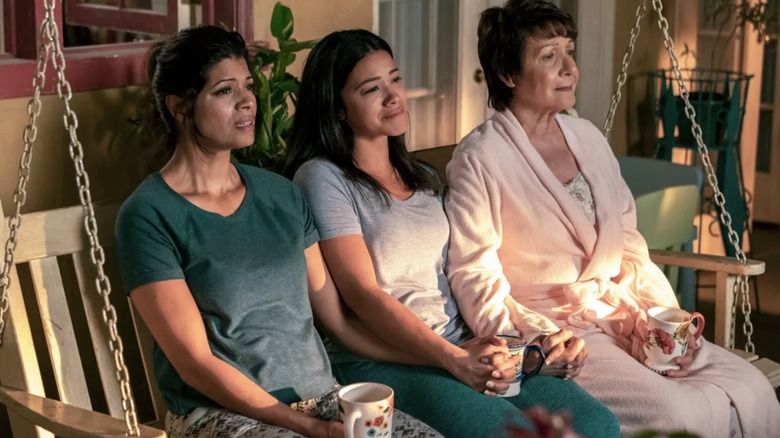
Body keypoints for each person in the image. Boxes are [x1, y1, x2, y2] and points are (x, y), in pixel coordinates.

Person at [444, 1, 780, 436]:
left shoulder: (587, 137)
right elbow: (474, 275)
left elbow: (629, 244)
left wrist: (657, 318)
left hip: (622, 311)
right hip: (558, 334)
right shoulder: (480, 158)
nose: (569, 67)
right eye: (549, 56)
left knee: (753, 388)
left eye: (570, 51)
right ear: (508, 74)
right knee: (680, 414)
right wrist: (537, 347)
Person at [283, 29, 619, 438]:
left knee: (597, 425)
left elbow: (466, 271)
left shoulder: (422, 177)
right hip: (389, 360)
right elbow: (361, 294)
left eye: (396, 79)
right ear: (336, 109)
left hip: (465, 343)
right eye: (372, 89)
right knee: (509, 434)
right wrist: (451, 357)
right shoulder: (322, 178)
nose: (394, 96)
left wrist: (527, 346)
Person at [114, 25, 442, 438]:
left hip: (322, 399)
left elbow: (338, 324)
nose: (247, 101)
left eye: (248, 87)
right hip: (218, 413)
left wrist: (445, 358)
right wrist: (305, 427)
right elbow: (195, 363)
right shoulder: (150, 215)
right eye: (224, 91)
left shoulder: (280, 195)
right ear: (180, 107)